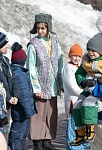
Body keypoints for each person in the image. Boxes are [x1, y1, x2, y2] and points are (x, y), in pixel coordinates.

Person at [70, 33, 102, 146]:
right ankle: (80, 132)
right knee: (76, 106)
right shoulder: (86, 62)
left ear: (101, 50)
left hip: (101, 89)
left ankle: (90, 130)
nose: (90, 52)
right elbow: (79, 73)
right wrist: (82, 81)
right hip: (88, 89)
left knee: (87, 103)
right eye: (89, 49)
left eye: (94, 50)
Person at [26, 13, 64, 150]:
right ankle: (37, 141)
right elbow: (31, 68)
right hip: (40, 87)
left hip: (52, 86)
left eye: (43, 28)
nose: (40, 31)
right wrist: (36, 88)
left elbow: (60, 64)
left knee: (50, 113)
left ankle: (47, 139)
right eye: (38, 28)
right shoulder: (33, 45)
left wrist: (61, 83)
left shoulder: (55, 43)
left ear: (49, 28)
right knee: (38, 114)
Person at [8, 42, 37, 150]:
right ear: (22, 60)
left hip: (22, 110)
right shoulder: (19, 74)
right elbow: (24, 95)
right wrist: (29, 111)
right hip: (21, 111)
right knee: (17, 135)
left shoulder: (17, 72)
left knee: (23, 134)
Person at [62, 44, 90, 150]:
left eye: (78, 56)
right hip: (73, 100)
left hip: (80, 101)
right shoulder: (69, 68)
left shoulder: (79, 67)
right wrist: (85, 92)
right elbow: (72, 87)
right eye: (74, 56)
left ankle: (82, 144)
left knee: (80, 123)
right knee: (74, 125)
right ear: (70, 56)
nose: (76, 58)